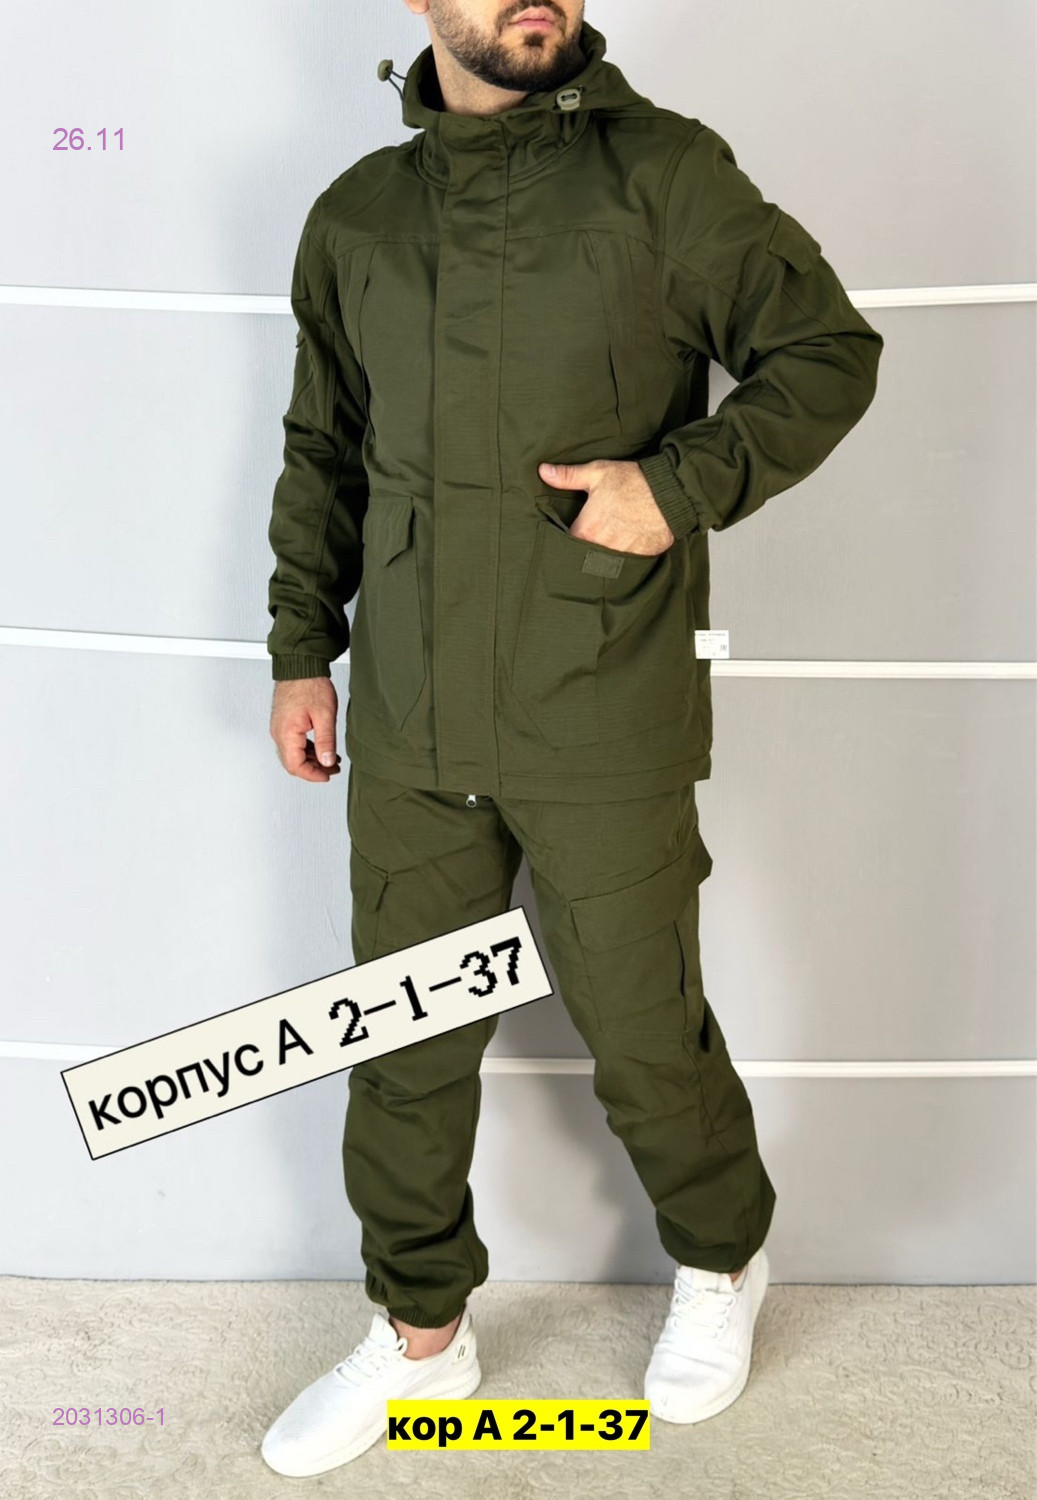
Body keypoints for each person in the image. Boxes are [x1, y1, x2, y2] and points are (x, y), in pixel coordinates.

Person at [261, 0, 883, 1478]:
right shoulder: (357, 214)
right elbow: (324, 447)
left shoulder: (664, 174)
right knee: (402, 1041)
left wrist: (682, 484)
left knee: (642, 1027)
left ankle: (722, 1259)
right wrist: (300, 649)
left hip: (601, 690)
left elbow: (823, 349)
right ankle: (422, 1337)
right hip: (413, 711)